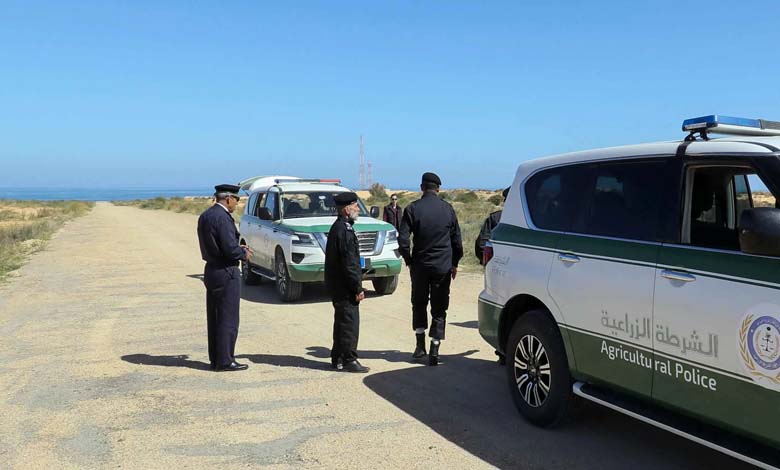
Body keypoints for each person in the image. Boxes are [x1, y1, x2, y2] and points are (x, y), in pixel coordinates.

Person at [398, 172, 463, 365]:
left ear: (421, 188)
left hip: (420, 265)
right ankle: (435, 347)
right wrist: (454, 263)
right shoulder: (448, 209)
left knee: (418, 303)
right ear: (438, 189)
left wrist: (409, 260)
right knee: (439, 305)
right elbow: (457, 242)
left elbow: (403, 241)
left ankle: (419, 347)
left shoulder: (412, 209)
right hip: (442, 266)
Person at [197, 184, 253, 372]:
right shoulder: (222, 218)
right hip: (225, 271)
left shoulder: (206, 215)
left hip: (212, 269)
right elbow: (229, 248)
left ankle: (217, 358)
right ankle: (225, 360)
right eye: (236, 200)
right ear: (228, 199)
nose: (237, 204)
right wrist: (242, 253)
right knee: (228, 318)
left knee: (215, 317)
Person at [324, 192, 369, 373]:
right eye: (355, 206)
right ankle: (349, 358)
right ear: (345, 209)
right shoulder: (343, 230)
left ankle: (338, 357)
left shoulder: (340, 227)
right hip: (344, 287)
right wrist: (357, 287)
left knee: (342, 322)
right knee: (349, 323)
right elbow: (349, 263)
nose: (357, 209)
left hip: (339, 285)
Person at [475, 187, 510, 264]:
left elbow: (482, 244)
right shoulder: (536, 219)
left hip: (499, 265)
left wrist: (489, 262)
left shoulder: (496, 218)